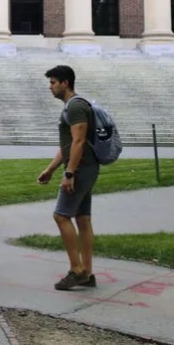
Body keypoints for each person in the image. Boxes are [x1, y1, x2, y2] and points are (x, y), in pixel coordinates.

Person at [37, 65, 99, 291]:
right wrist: (51, 169)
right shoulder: (73, 106)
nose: (50, 87)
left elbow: (79, 142)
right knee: (82, 219)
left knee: (61, 216)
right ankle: (88, 273)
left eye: (53, 82)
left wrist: (69, 173)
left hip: (80, 169)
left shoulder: (75, 107)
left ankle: (77, 270)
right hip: (85, 167)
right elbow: (69, 145)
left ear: (65, 83)